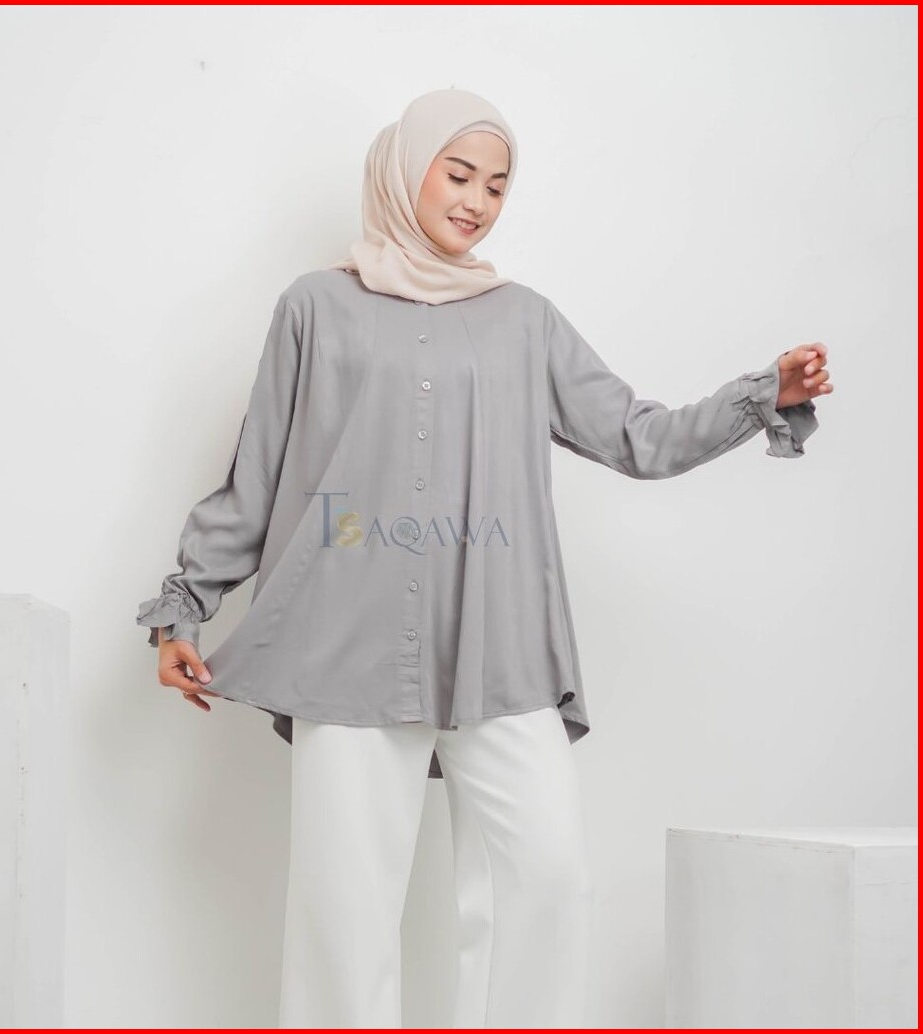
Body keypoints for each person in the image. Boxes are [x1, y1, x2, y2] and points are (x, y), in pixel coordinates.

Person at [135, 88, 831, 1028]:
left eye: (497, 186)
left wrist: (761, 394)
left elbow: (639, 437)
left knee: (548, 878)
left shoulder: (524, 320)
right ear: (404, 169)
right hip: (345, 646)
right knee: (346, 915)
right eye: (458, 174)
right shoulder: (315, 307)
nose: (476, 201)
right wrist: (184, 606)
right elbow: (256, 475)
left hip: (498, 648)